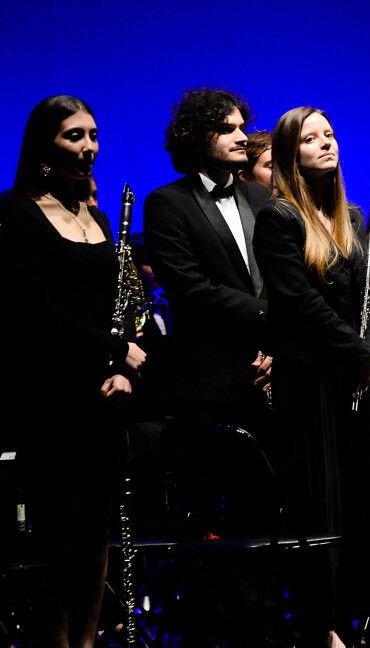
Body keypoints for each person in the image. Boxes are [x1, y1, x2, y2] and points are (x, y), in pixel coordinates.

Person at [0, 94, 145, 648]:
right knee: (60, 532)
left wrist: (127, 369)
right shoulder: (16, 214)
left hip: (106, 394)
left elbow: (123, 306)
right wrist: (113, 350)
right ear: (43, 146)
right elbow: (31, 313)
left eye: (92, 135)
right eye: (73, 136)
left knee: (98, 531)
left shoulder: (101, 217)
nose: (88, 148)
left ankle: (87, 643)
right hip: (52, 394)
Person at [253, 106, 370, 646]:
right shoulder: (279, 218)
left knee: (360, 499)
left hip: (354, 376)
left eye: (329, 134)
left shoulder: (353, 218)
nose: (326, 144)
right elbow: (297, 300)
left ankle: (357, 615)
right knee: (320, 502)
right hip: (309, 380)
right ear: (291, 154)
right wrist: (353, 349)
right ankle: (321, 623)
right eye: (311, 139)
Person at [143, 88, 272, 434]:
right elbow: (191, 288)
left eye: (242, 127)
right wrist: (268, 314)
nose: (243, 137)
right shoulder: (167, 203)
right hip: (210, 382)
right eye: (228, 129)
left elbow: (281, 274)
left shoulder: (260, 196)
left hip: (272, 371)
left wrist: (278, 343)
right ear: (197, 137)